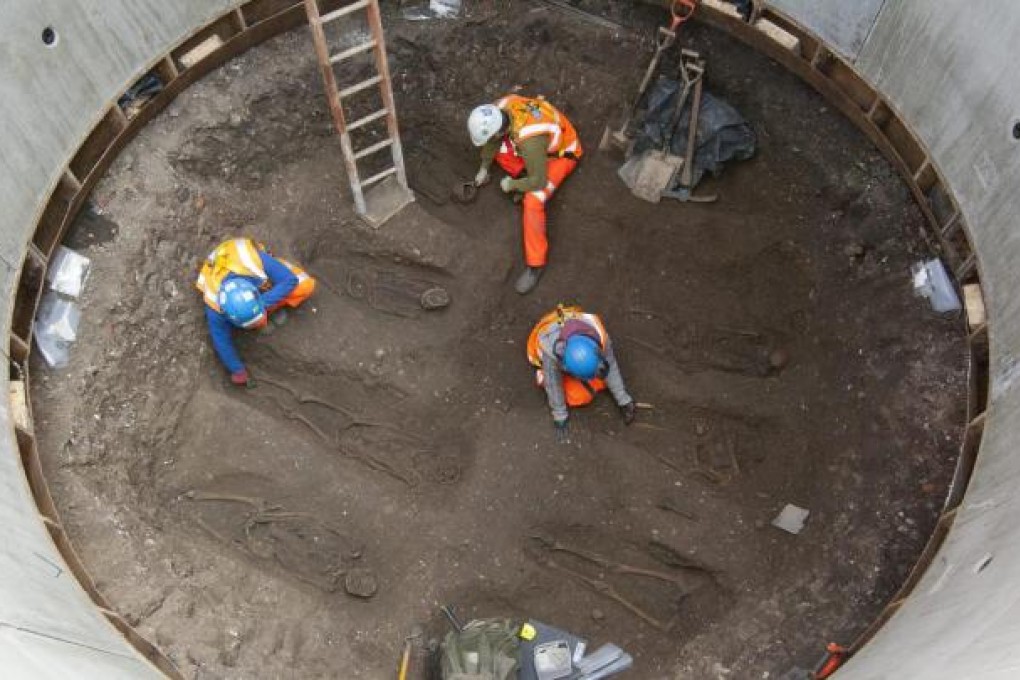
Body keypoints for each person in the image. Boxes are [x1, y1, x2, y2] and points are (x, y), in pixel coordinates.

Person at [467, 94, 583, 294]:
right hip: (538, 145)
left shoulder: (528, 140)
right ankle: (524, 177)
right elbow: (494, 142)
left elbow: (539, 181)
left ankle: (536, 265)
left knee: (533, 201)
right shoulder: (500, 108)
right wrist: (484, 168)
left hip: (563, 154)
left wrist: (512, 184)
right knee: (502, 152)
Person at [195, 238, 315, 387]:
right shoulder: (214, 307)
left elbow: (289, 280)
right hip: (225, 277)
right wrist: (238, 370)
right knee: (250, 317)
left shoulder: (252, 260)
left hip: (245, 266)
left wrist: (265, 302)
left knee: (305, 285)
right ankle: (259, 315)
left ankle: (264, 309)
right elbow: (221, 340)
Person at [526, 305, 636, 443]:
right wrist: (560, 416)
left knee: (603, 378)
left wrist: (623, 399)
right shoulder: (551, 356)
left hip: (567, 329)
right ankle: (542, 376)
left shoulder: (600, 337)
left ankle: (589, 377)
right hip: (545, 350)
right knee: (578, 396)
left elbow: (610, 364)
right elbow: (554, 385)